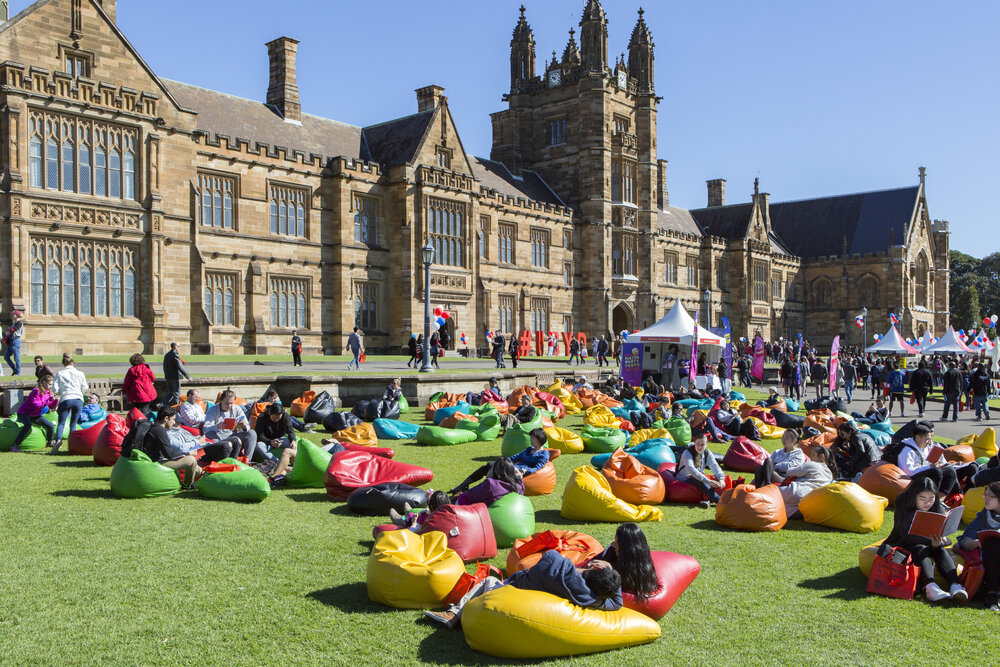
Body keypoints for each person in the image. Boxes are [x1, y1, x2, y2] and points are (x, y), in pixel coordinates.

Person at [424, 548, 622, 629]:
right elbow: (617, 602)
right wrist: (607, 572)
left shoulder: (563, 572)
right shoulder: (591, 597)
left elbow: (551, 555)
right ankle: (461, 611)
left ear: (594, 569)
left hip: (514, 591)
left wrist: (584, 569)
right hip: (531, 599)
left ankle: (454, 615)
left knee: (489, 582)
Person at [876, 476, 967, 603]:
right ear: (914, 497)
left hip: (930, 545)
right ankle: (930, 586)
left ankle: (955, 586)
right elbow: (906, 536)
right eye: (922, 498)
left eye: (931, 498)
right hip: (905, 544)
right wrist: (931, 541)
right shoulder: (903, 504)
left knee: (940, 550)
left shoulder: (936, 507)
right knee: (921, 548)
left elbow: (947, 539)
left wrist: (940, 542)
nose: (928, 503)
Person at [589, 522, 658, 603]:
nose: (613, 545)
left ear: (626, 548)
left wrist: (609, 569)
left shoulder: (640, 570)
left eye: (616, 542)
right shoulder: (611, 552)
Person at [957, 481, 1000, 611]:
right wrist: (976, 543)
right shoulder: (982, 517)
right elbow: (963, 539)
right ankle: (992, 594)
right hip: (987, 561)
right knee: (992, 543)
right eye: (985, 495)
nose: (986, 499)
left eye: (990, 497)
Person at [143, 408, 202, 490]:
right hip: (156, 463)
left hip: (153, 460)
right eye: (173, 419)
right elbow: (169, 455)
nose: (174, 422)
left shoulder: (153, 427)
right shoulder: (160, 431)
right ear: (166, 418)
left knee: (185, 460)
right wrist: (187, 454)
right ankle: (187, 485)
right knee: (191, 460)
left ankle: (201, 472)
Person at [675, 428, 725, 508]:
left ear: (706, 445)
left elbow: (714, 466)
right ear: (694, 443)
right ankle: (720, 502)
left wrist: (721, 479)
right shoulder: (687, 453)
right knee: (701, 481)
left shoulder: (707, 453)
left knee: (714, 481)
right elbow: (691, 470)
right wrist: (708, 481)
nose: (700, 447)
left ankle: (706, 500)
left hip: (698, 476)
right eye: (698, 444)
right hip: (684, 477)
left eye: (702, 445)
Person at [204, 390, 260, 461]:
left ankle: (247, 460)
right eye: (226, 403)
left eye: (231, 403)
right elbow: (206, 429)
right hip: (218, 437)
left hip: (233, 435)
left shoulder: (237, 409)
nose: (229, 406)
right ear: (221, 401)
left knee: (252, 433)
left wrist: (244, 426)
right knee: (211, 435)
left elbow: (247, 427)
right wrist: (217, 426)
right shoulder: (213, 410)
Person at [50, 354, 89, 453]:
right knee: (73, 423)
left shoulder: (60, 373)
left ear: (63, 363)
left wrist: (60, 392)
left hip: (66, 398)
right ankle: (72, 443)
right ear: (73, 362)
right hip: (78, 399)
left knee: (61, 422)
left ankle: (58, 440)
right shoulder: (80, 373)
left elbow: (55, 388)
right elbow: (85, 387)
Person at [448, 456, 524, 506]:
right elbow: (522, 489)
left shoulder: (491, 484)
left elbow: (471, 495)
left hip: (472, 508)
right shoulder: (517, 486)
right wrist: (520, 477)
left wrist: (488, 477)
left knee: (456, 498)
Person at [253, 403, 298, 482]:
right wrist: (270, 442)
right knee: (259, 445)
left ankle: (296, 463)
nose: (276, 420)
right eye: (274, 418)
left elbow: (290, 429)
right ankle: (279, 463)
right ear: (270, 413)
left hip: (280, 439)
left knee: (291, 443)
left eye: (278, 418)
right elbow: (259, 435)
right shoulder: (262, 418)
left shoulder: (285, 416)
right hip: (266, 441)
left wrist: (293, 440)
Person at [13, 373, 57, 451]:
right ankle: (15, 445)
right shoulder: (36, 391)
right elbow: (36, 405)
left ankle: (50, 442)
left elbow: (50, 406)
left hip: (35, 414)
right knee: (28, 425)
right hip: (24, 413)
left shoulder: (48, 392)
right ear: (44, 382)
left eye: (51, 385)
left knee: (50, 426)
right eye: (50, 384)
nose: (51, 386)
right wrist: (48, 400)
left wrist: (55, 401)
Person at [3, 310, 24, 375]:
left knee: (16, 357)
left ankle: (18, 372)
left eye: (13, 314)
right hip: (11, 341)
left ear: (16, 315)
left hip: (16, 341)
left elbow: (13, 329)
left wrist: (8, 330)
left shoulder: (19, 323)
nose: (12, 315)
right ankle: (14, 370)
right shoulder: (13, 323)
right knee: (6, 357)